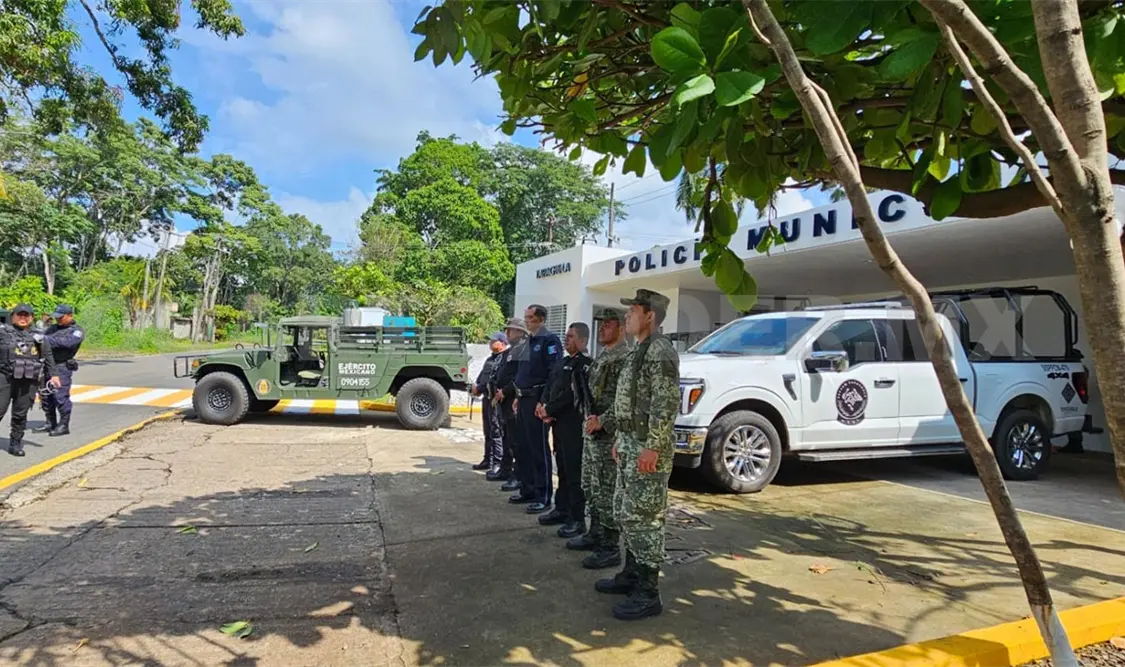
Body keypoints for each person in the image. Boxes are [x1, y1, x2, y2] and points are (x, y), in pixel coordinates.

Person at [595, 289, 679, 621]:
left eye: (632, 312)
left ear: (650, 316)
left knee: (646, 518)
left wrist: (652, 447)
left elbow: (665, 404)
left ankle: (648, 592)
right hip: (630, 442)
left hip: (647, 446)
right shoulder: (638, 351)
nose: (626, 316)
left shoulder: (660, 351)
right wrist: (622, 438)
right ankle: (631, 573)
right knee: (626, 512)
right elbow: (627, 403)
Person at [569, 309, 632, 569]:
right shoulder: (603, 356)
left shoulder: (625, 358)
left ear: (622, 328)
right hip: (592, 432)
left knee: (607, 492)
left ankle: (609, 547)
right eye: (602, 324)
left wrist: (603, 421)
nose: (603, 328)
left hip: (609, 435)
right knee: (591, 487)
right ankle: (595, 533)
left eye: (609, 324)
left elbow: (624, 401)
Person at [537, 322, 591, 538]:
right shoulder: (563, 362)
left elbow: (571, 395)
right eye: (566, 336)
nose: (566, 339)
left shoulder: (585, 365)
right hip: (557, 424)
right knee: (562, 469)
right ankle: (561, 509)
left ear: (583, 341)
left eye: (571, 336)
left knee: (574, 473)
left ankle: (577, 519)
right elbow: (550, 385)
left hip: (573, 426)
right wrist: (542, 405)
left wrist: (549, 408)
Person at [510, 304, 561, 514]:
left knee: (539, 449)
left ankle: (543, 495)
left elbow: (554, 374)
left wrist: (544, 401)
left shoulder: (549, 340)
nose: (527, 321)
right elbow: (521, 372)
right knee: (523, 447)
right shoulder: (526, 341)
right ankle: (528, 488)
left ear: (540, 319)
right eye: (526, 317)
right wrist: (516, 395)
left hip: (537, 400)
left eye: (530, 317)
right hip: (522, 399)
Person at [1, 304, 60, 456]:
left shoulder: (39, 337)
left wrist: (54, 375)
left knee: (20, 414)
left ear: (32, 318)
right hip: (4, 378)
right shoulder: (3, 332)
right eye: (19, 315)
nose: (23, 318)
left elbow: (48, 357)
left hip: (28, 380)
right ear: (12, 316)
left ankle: (15, 443)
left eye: (26, 315)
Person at [35, 304, 84, 437]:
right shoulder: (53, 328)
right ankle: (50, 421)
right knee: (45, 395)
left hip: (62, 366)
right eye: (57, 317)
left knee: (60, 396)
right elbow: (40, 341)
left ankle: (64, 424)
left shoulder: (76, 331)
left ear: (69, 316)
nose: (58, 320)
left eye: (61, 317)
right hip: (47, 365)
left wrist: (47, 340)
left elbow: (67, 343)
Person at [494, 318, 528, 487]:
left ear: (521, 332)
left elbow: (518, 377)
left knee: (515, 440)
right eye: (507, 330)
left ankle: (518, 475)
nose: (508, 333)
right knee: (506, 436)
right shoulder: (510, 351)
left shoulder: (523, 349)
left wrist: (506, 391)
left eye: (511, 330)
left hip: (513, 398)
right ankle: (505, 469)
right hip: (502, 400)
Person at [471, 331, 508, 474]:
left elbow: (495, 380)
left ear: (502, 343)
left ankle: (497, 462)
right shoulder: (489, 360)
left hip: (495, 401)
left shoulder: (502, 360)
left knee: (496, 431)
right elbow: (482, 378)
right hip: (486, 399)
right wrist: (477, 387)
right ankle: (488, 459)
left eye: (494, 341)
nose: (490, 343)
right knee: (487, 431)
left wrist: (480, 387)